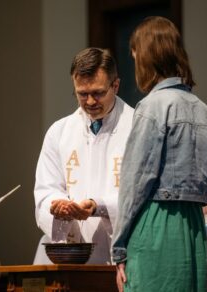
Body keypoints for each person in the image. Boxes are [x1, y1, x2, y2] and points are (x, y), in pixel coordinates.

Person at [112, 16, 207, 291]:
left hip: (157, 226)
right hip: (194, 229)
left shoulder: (153, 107)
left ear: (146, 59)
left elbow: (135, 184)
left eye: (136, 58)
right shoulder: (204, 110)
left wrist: (118, 248)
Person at [34, 47, 134, 264]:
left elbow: (142, 193)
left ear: (115, 85)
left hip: (123, 252)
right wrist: (56, 205)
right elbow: (45, 189)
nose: (90, 102)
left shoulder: (137, 127)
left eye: (98, 93)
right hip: (74, 253)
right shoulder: (59, 132)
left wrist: (99, 205)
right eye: (82, 94)